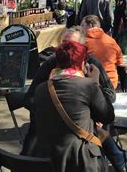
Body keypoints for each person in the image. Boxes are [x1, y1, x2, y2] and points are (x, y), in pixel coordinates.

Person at [23, 28, 127, 171]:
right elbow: (29, 100)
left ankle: (122, 161)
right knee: (94, 133)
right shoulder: (50, 69)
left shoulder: (91, 65)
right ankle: (123, 161)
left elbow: (110, 95)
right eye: (64, 44)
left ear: (82, 49)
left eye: (71, 45)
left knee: (95, 130)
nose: (67, 49)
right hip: (78, 155)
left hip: (69, 137)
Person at [33, 40, 114, 171]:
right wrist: (96, 83)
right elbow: (108, 116)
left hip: (47, 160)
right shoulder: (87, 86)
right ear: (82, 64)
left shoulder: (40, 89)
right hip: (81, 160)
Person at [81, 15, 123, 89]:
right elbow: (120, 61)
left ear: (90, 25)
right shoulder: (111, 40)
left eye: (82, 25)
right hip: (111, 82)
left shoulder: (83, 42)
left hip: (92, 83)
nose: (81, 28)